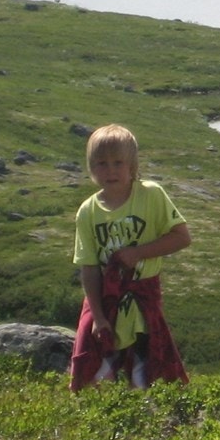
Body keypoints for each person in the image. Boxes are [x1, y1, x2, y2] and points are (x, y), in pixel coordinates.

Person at [69, 124, 192, 391]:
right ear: (91, 167)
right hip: (104, 299)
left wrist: (138, 253)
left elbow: (182, 237)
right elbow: (89, 268)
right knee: (96, 364)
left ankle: (146, 409)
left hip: (143, 296)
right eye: (101, 164)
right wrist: (98, 317)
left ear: (132, 165)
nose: (110, 170)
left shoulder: (151, 195)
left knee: (146, 362)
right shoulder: (87, 212)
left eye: (118, 163)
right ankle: (100, 415)